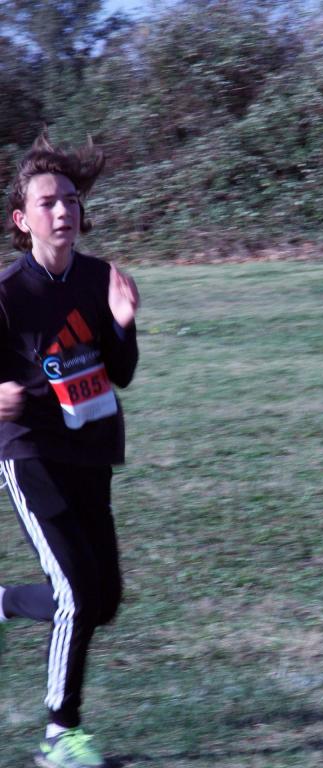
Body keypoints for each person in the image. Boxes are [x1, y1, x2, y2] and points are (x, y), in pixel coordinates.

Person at [0, 132, 139, 768]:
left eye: (71, 200)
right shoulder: (7, 294)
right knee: (77, 595)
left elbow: (121, 372)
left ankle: (5, 601)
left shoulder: (101, 278)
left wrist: (123, 325)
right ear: (22, 220)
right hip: (30, 454)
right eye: (48, 202)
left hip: (91, 452)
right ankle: (61, 735)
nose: (63, 211)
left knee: (101, 600)